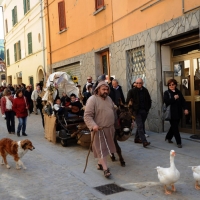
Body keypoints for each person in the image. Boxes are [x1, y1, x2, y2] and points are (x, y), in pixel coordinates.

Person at [84, 81, 117, 178]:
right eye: (103, 89)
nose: (106, 91)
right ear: (98, 89)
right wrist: (93, 125)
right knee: (101, 149)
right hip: (98, 130)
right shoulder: (92, 99)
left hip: (110, 129)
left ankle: (100, 164)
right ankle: (106, 169)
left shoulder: (109, 99)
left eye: (107, 89)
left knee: (106, 149)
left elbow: (113, 111)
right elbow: (87, 116)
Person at [126, 78, 151, 147]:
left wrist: (147, 109)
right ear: (135, 84)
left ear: (142, 83)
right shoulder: (131, 91)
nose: (138, 84)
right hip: (136, 111)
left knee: (141, 125)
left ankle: (136, 139)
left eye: (140, 83)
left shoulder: (145, 90)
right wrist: (131, 110)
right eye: (137, 83)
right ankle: (144, 141)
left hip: (144, 110)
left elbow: (149, 100)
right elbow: (127, 101)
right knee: (140, 125)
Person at [164, 79, 189, 148]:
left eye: (172, 84)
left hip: (178, 113)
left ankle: (168, 137)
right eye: (169, 85)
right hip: (171, 114)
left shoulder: (179, 92)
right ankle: (179, 142)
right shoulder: (166, 93)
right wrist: (174, 98)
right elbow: (166, 101)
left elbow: (183, 101)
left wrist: (186, 109)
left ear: (175, 85)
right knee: (175, 128)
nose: (171, 86)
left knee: (173, 127)